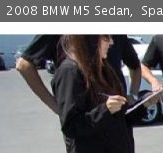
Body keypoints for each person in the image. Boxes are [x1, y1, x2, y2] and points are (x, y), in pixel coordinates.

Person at [52, 35, 151, 153]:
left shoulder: (104, 68)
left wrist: (144, 104)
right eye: (105, 38)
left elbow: (122, 117)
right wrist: (105, 110)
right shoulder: (70, 71)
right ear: (89, 39)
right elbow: (71, 125)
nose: (111, 42)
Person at [16, 35, 152, 115]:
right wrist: (57, 107)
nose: (110, 41)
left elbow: (135, 66)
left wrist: (133, 95)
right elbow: (24, 65)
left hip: (118, 123)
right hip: (83, 128)